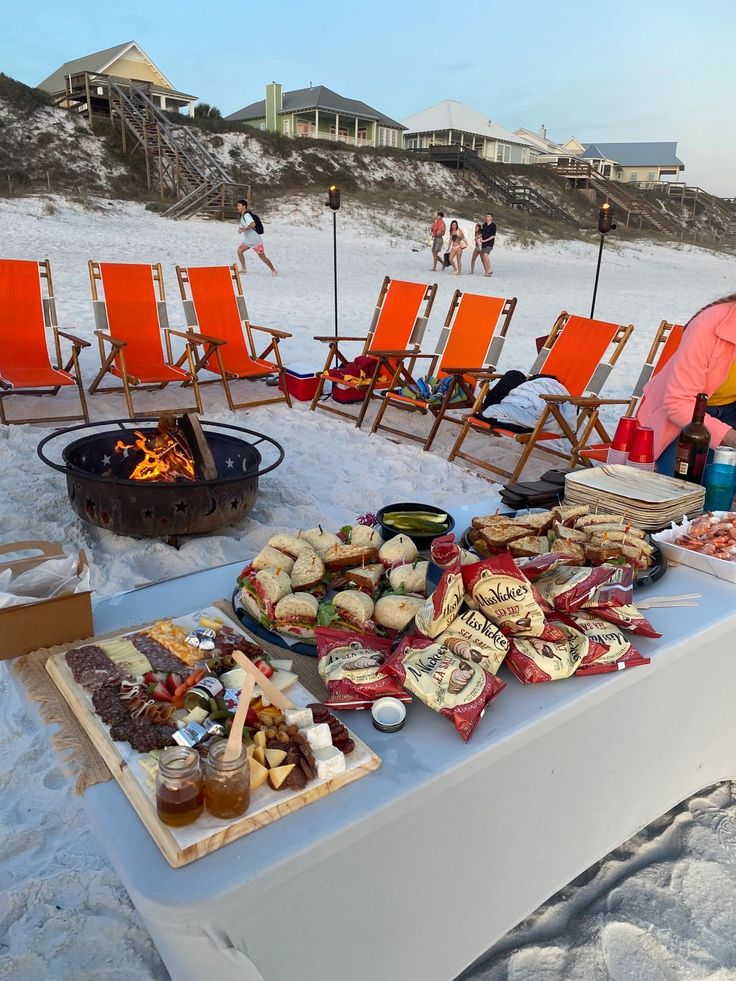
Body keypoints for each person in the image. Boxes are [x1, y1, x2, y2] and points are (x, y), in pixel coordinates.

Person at [637, 293, 736, 474]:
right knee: (677, 489)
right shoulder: (708, 324)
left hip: (732, 411)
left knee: (721, 489)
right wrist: (730, 437)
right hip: (686, 417)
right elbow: (677, 403)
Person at [236, 199, 277, 276]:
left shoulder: (246, 215)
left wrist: (244, 229)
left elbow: (253, 224)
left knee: (262, 257)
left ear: (244, 206)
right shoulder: (242, 216)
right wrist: (241, 229)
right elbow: (244, 226)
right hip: (248, 240)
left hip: (255, 240)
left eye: (239, 205)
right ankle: (243, 269)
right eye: (237, 205)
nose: (237, 207)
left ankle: (273, 270)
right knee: (239, 251)